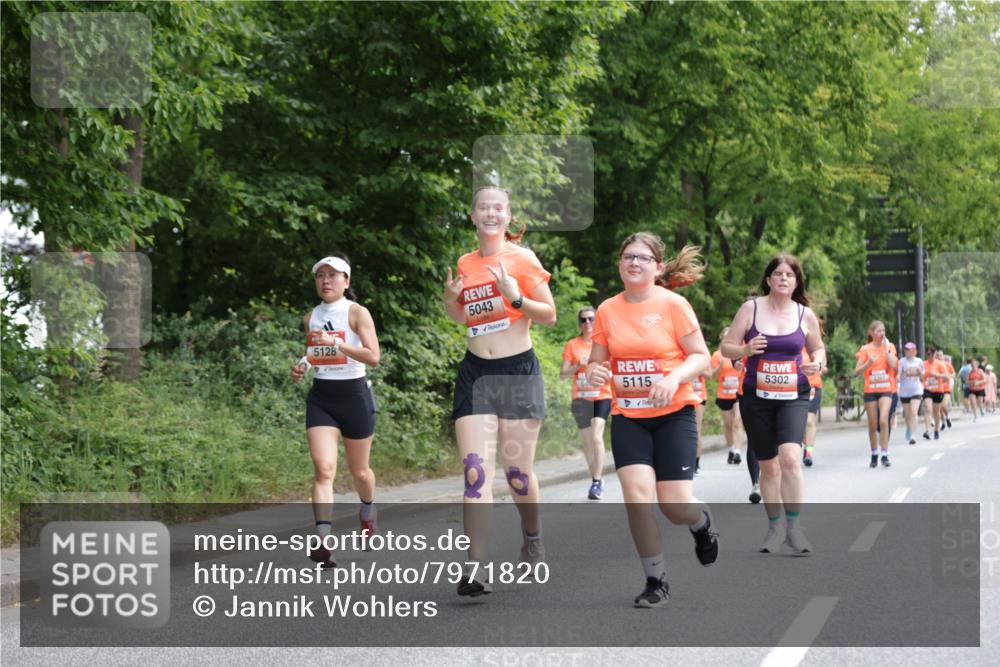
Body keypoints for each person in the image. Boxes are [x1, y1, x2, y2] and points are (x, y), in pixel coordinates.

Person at [585, 234, 718, 608]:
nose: (634, 263)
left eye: (643, 258)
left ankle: (701, 522)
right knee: (638, 500)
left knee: (674, 506)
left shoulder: (673, 305)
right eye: (627, 256)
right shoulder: (607, 310)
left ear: (658, 267)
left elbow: (701, 356)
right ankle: (656, 580)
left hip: (674, 414)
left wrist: (673, 378)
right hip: (629, 417)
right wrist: (595, 371)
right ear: (619, 263)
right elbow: (596, 360)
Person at [443, 186, 556, 597]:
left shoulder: (522, 259)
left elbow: (549, 314)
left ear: (508, 217)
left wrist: (517, 297)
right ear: (473, 216)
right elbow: (462, 318)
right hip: (476, 373)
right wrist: (450, 300)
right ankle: (474, 567)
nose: (490, 213)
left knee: (517, 476)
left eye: (498, 208)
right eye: (483, 207)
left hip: (517, 373)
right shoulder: (465, 262)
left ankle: (532, 537)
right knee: (475, 472)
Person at [721, 253, 825, 555]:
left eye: (789, 275)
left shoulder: (805, 314)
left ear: (796, 282)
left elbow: (819, 349)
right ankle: (775, 527)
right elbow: (726, 347)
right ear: (768, 279)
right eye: (778, 274)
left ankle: (794, 528)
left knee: (790, 458)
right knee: (768, 466)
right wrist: (744, 349)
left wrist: (817, 364)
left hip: (794, 395)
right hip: (756, 396)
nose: (783, 278)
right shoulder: (750, 309)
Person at [291, 254, 381, 570]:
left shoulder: (357, 313)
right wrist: (302, 365)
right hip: (322, 398)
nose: (326, 280)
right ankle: (323, 542)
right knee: (323, 469)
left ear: (346, 281)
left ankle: (368, 510)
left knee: (360, 472)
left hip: (355, 397)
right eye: (321, 275)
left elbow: (373, 357)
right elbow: (316, 353)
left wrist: (339, 344)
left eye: (333, 275)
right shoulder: (311, 317)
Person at [561, 306, 612, 499]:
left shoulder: (604, 343)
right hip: (580, 398)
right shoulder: (572, 345)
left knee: (597, 436)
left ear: (596, 321)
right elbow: (563, 374)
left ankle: (597, 482)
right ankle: (596, 478)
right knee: (588, 441)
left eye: (591, 319)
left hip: (601, 395)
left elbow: (614, 367)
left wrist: (607, 373)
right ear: (579, 323)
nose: (588, 323)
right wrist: (578, 365)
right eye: (583, 320)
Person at [854, 321, 898, 468]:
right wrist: (868, 363)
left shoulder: (890, 346)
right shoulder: (865, 349)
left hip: (886, 389)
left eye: (883, 330)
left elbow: (894, 365)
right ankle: (874, 453)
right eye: (879, 331)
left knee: (884, 420)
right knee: (872, 424)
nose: (882, 333)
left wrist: (886, 350)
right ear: (872, 333)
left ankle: (884, 454)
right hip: (870, 390)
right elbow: (856, 372)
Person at [710, 329, 745, 467]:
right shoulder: (717, 355)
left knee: (738, 422)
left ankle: (738, 452)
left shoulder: (740, 353)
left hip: (738, 393)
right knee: (728, 425)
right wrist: (719, 366)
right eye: (726, 336)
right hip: (724, 394)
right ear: (722, 338)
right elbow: (712, 376)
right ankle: (731, 448)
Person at [897, 342, 925, 445]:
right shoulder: (902, 361)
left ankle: (913, 435)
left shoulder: (919, 361)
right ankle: (908, 427)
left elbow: (923, 376)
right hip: (904, 391)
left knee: (914, 412)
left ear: (914, 351)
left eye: (908, 349)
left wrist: (919, 373)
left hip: (916, 390)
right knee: (907, 414)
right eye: (905, 349)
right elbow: (899, 374)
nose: (906, 351)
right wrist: (901, 375)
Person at [801, 345, 824, 467]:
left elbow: (823, 366)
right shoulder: (792, 343)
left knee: (809, 420)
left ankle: (809, 453)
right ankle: (806, 446)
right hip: (796, 388)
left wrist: (820, 367)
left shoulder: (816, 346)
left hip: (813, 387)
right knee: (800, 422)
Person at [922, 346, 947, 440]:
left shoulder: (939, 364)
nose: (930, 356)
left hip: (938, 390)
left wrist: (937, 375)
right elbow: (920, 375)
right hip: (927, 389)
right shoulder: (923, 364)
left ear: (935, 354)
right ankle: (927, 430)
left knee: (936, 412)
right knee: (928, 409)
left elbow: (946, 376)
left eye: (932, 354)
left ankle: (936, 429)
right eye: (928, 354)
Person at [692, 367, 710, 474]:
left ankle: (696, 463)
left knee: (696, 428)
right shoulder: (679, 358)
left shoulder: (701, 358)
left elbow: (710, 375)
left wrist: (696, 367)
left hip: (699, 396)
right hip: (684, 395)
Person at [941, 353, 956, 428]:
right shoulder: (934, 365)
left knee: (943, 405)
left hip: (946, 388)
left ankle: (947, 417)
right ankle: (943, 422)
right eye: (937, 356)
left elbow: (953, 374)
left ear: (942, 357)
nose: (939, 357)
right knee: (939, 407)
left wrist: (949, 376)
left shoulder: (947, 365)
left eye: (940, 355)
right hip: (937, 389)